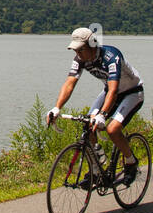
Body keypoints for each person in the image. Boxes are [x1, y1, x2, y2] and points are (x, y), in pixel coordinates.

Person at [45, 26, 144, 183]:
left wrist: (103, 115)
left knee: (112, 129)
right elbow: (69, 84)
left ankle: (131, 162)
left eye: (81, 50)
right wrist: (57, 107)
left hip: (132, 92)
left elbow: (113, 90)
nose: (78, 54)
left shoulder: (112, 57)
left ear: (92, 44)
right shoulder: (79, 60)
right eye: (75, 50)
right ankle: (97, 171)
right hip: (109, 92)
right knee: (88, 124)